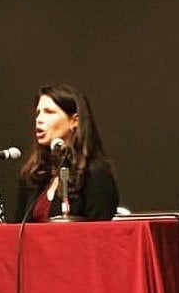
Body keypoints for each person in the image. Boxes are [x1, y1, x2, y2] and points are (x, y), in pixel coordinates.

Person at [16, 83, 119, 222]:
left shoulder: (94, 173)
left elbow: (101, 234)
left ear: (74, 121)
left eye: (49, 112)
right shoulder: (34, 175)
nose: (39, 119)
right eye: (38, 113)